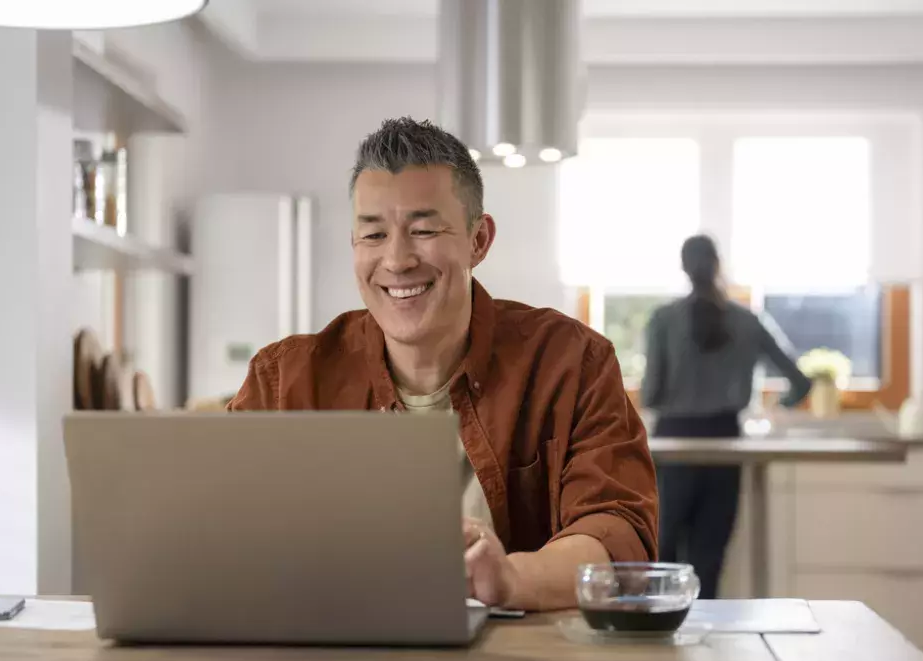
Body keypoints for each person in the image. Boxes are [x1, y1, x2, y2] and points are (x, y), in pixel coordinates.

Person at [228, 117, 658, 611]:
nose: (396, 259)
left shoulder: (572, 362)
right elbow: (224, 533)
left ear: (479, 240)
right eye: (373, 235)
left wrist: (511, 579)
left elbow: (618, 537)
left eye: (424, 230)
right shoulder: (283, 381)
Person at [641, 235, 811, 599]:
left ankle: (657, 636)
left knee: (663, 548)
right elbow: (800, 382)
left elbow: (651, 393)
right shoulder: (748, 321)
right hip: (726, 442)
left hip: (672, 443)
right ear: (718, 266)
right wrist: (776, 408)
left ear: (684, 268)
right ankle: (704, 643)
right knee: (709, 554)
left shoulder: (663, 319)